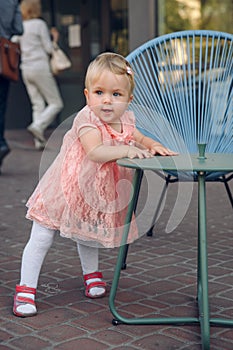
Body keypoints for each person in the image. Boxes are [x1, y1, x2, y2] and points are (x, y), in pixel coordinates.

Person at [13, 52, 178, 317]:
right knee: (42, 235)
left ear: (128, 100)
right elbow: (95, 152)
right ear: (87, 95)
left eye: (116, 95)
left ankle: (91, 275)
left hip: (93, 190)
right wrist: (125, 150)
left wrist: (152, 145)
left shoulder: (126, 119)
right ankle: (25, 288)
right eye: (100, 92)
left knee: (86, 233)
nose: (107, 101)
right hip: (66, 186)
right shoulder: (87, 119)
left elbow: (139, 136)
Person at [13, 0, 63, 150]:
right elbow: (48, 49)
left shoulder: (21, 26)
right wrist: (54, 39)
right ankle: (38, 125)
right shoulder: (39, 24)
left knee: (37, 104)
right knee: (56, 103)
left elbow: (14, 42)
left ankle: (38, 141)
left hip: (26, 69)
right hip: (40, 67)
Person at [0, 0, 23, 171]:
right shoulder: (11, 2)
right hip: (3, 57)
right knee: (1, 105)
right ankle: (0, 142)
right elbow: (19, 29)